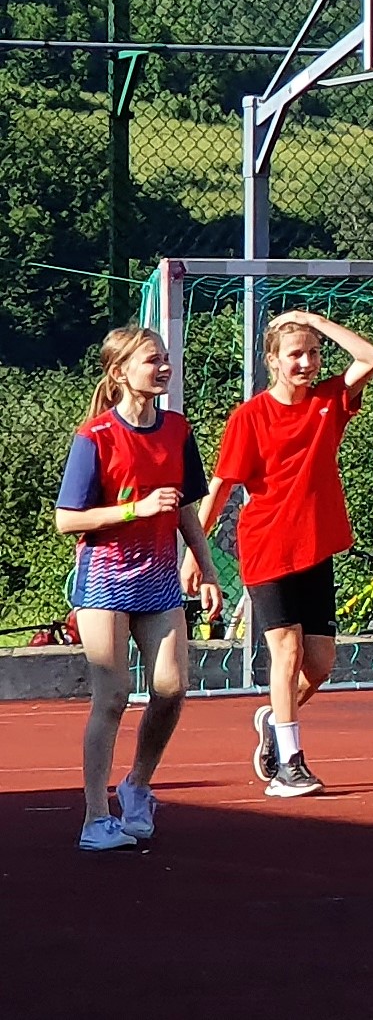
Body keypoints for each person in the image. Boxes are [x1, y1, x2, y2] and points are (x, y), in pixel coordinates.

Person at [201, 311, 373, 797]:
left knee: (319, 664)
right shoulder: (249, 418)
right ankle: (290, 765)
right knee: (287, 651)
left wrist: (310, 320)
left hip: (316, 547)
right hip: (267, 546)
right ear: (273, 361)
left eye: (313, 353)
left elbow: (369, 357)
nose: (306, 362)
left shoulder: (328, 401)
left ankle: (274, 720)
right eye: (295, 354)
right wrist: (196, 551)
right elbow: (221, 487)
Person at [55, 326, 223, 851]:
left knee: (171, 689)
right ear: (120, 372)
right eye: (153, 360)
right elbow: (66, 519)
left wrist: (206, 567)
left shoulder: (177, 430)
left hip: (159, 581)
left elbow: (186, 508)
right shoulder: (96, 437)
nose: (163, 367)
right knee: (112, 697)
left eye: (165, 358)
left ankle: (137, 786)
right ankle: (94, 818)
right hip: (104, 581)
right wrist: (135, 509)